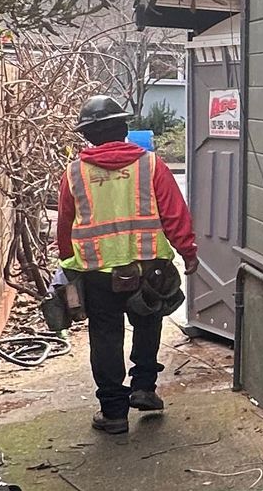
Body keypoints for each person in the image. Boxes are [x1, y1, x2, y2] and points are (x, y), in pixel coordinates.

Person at [56, 95, 198, 434]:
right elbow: (175, 214)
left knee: (105, 338)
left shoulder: (74, 173)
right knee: (148, 324)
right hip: (150, 269)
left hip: (97, 274)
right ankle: (144, 388)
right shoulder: (151, 166)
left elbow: (64, 224)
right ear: (123, 128)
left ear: (87, 136)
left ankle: (114, 412)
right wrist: (188, 252)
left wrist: (67, 263)